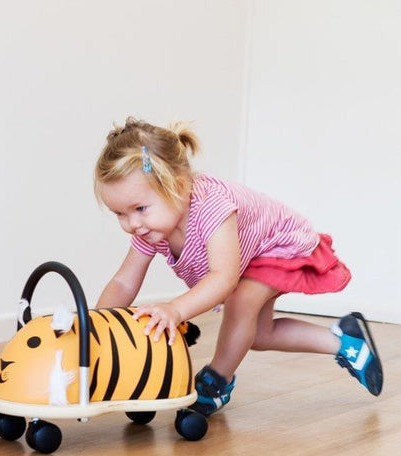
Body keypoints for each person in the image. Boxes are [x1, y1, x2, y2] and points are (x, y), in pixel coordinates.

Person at [94, 117, 383, 416]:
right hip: (248, 257)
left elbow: (224, 279)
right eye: (120, 214)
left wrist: (176, 309)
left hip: (276, 244)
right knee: (258, 335)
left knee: (241, 301)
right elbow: (124, 282)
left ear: (178, 187)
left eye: (140, 208)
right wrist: (96, 327)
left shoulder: (212, 208)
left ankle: (217, 381)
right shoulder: (150, 228)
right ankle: (346, 342)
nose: (132, 223)